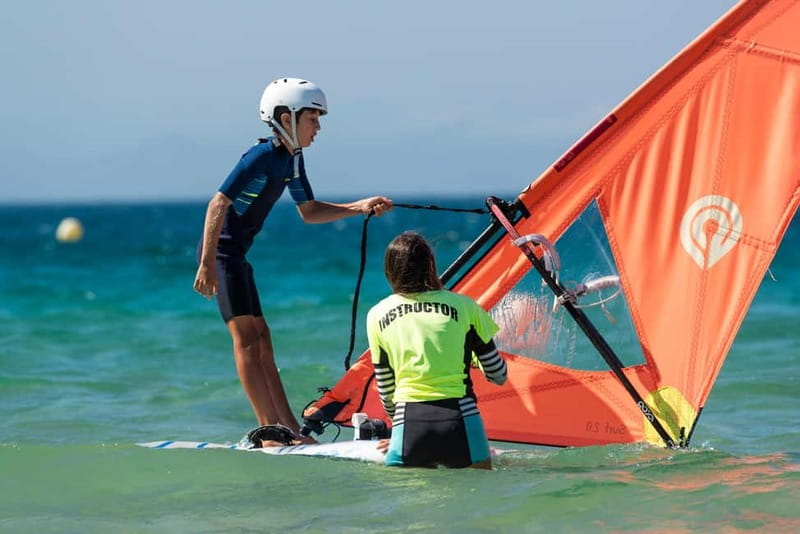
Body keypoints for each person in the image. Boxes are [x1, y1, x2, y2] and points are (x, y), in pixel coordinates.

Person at [194, 77, 393, 441]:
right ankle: (268, 431)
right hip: (222, 255)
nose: (318, 127)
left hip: (237, 255)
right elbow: (218, 202)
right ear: (287, 118)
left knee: (262, 338)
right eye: (312, 118)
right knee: (247, 340)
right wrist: (206, 264)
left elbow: (310, 210)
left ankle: (287, 427)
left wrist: (360, 206)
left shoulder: (291, 160)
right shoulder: (261, 156)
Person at [366, 232, 507, 468]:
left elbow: (386, 388)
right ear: (430, 266)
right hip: (461, 420)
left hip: (408, 425)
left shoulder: (377, 314)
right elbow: (498, 375)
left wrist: (398, 432)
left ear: (390, 271)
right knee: (478, 487)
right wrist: (472, 359)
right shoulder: (465, 306)